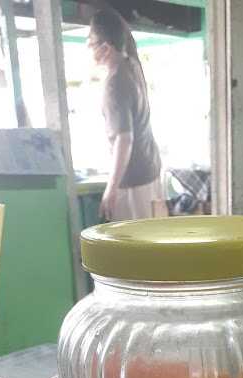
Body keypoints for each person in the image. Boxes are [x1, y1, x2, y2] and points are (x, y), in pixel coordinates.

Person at [88, 9, 165, 221]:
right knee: (155, 242)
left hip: (134, 181)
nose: (88, 47)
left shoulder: (115, 82)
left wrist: (111, 189)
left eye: (91, 42)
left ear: (106, 47)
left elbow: (124, 138)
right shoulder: (132, 66)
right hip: (151, 170)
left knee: (136, 249)